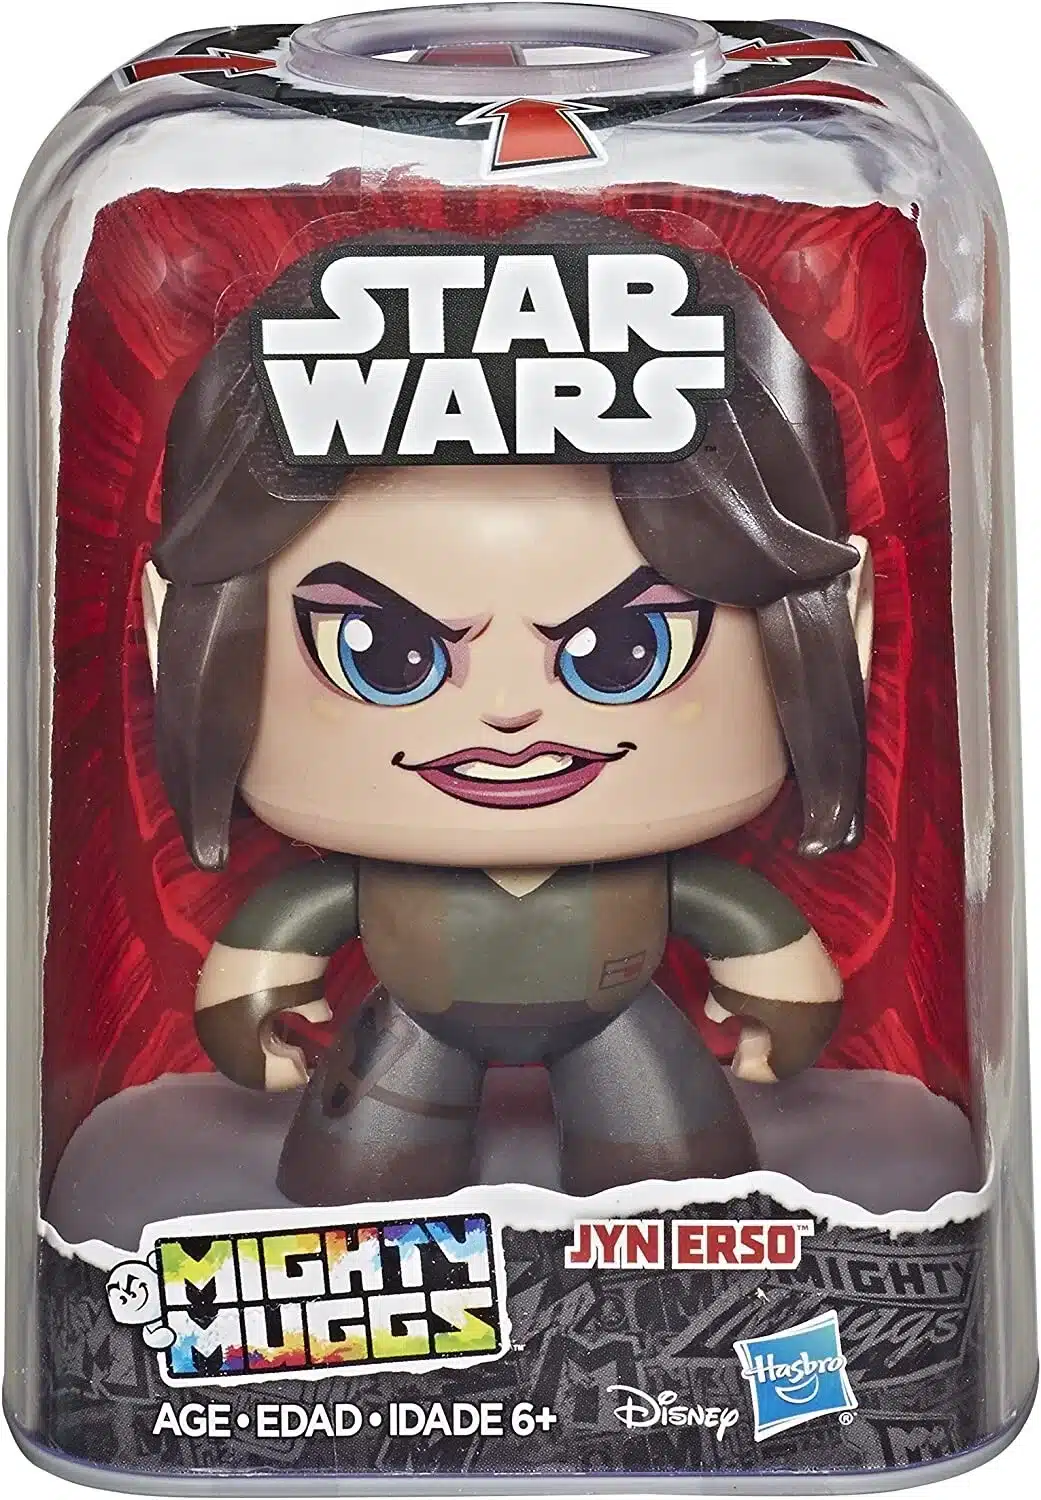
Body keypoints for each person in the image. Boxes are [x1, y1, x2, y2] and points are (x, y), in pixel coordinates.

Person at [144, 215, 873, 1205]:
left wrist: (780, 989)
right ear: (174, 638)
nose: (506, 713)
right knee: (366, 1187)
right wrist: (253, 994)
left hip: (619, 1023)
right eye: (386, 655)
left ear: (842, 631)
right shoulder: (383, 870)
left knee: (672, 1186)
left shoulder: (646, 864)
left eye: (623, 651)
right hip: (413, 1028)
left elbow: (737, 918)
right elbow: (294, 922)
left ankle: (663, 1230)